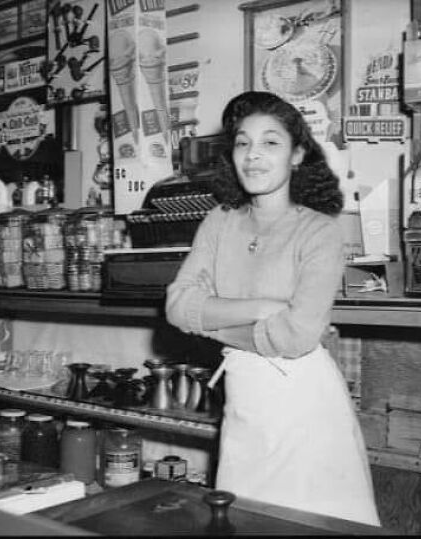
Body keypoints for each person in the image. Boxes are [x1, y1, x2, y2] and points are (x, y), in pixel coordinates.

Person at [165, 91, 380, 527]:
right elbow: (177, 306)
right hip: (245, 399)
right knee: (241, 518)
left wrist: (211, 322)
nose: (253, 156)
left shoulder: (320, 231)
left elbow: (297, 336)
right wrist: (264, 306)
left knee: (310, 523)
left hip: (305, 403)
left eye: (271, 143)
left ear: (297, 154)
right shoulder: (220, 220)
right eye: (243, 143)